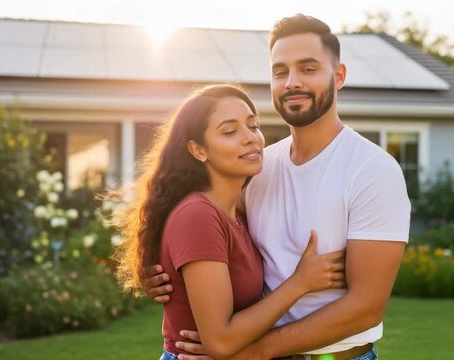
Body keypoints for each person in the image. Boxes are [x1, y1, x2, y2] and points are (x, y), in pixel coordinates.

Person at [145, 14, 411, 360]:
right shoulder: (257, 168)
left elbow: (365, 308)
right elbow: (207, 234)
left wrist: (252, 353)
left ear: (339, 76)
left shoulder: (373, 170)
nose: (292, 82)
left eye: (308, 68)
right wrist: (162, 276)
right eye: (280, 71)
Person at [112, 84, 346, 360]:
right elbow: (220, 342)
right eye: (230, 131)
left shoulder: (237, 211)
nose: (251, 138)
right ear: (198, 150)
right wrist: (301, 283)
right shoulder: (197, 216)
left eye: (253, 125)